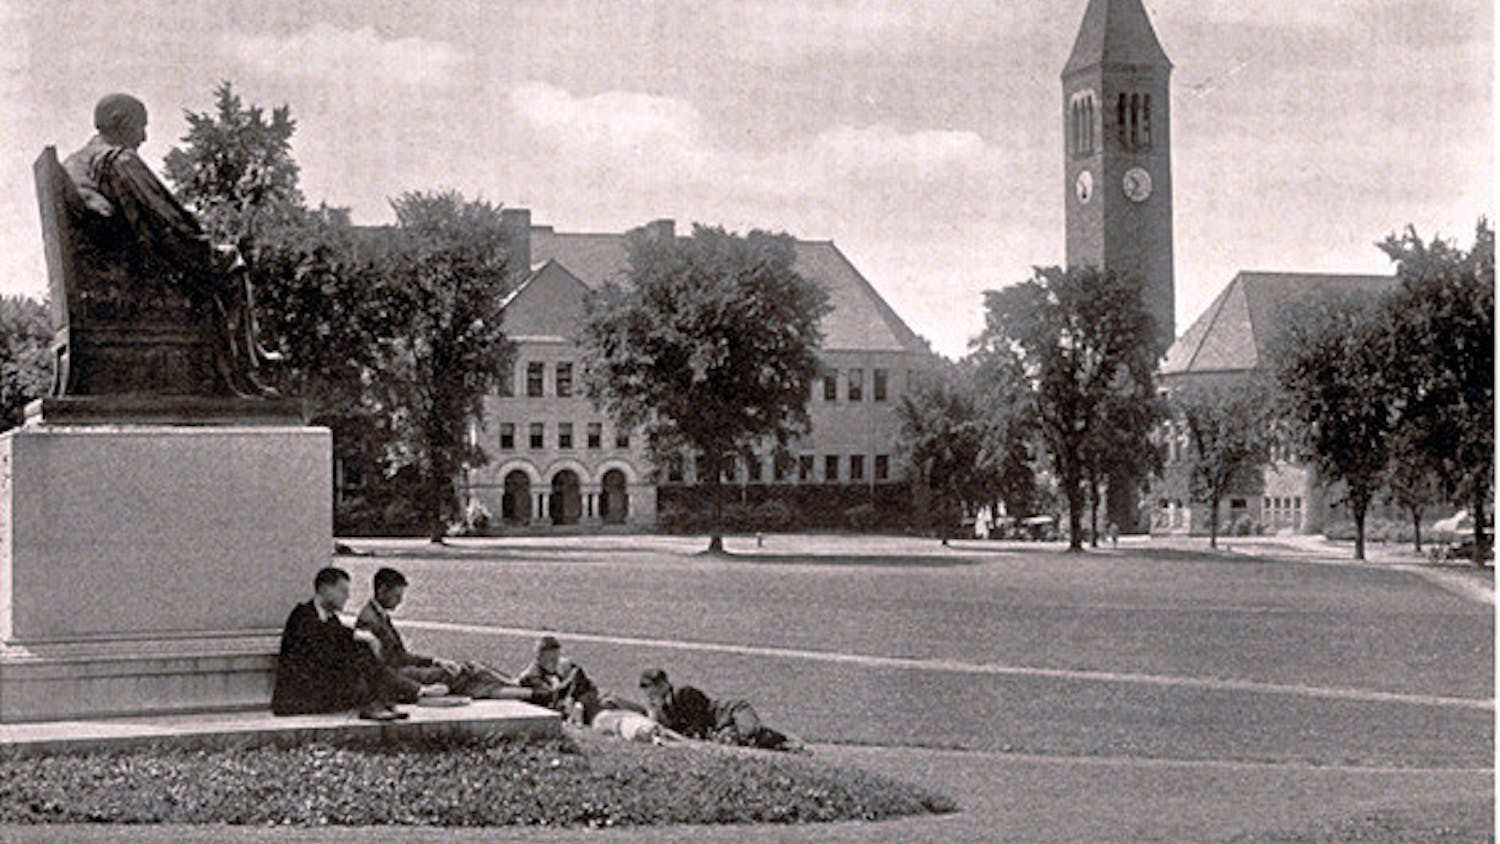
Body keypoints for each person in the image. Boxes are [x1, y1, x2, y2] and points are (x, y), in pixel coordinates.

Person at [62, 92, 280, 397]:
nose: (144, 137)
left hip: (104, 278)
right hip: (131, 282)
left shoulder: (77, 160)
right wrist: (204, 244)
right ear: (119, 121)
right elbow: (165, 221)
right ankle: (240, 375)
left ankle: (240, 366)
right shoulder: (119, 159)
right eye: (141, 126)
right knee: (228, 261)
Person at [355, 567, 517, 700]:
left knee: (466, 671)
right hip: (399, 677)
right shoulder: (369, 621)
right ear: (382, 590)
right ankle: (520, 688)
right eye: (396, 596)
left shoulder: (378, 615)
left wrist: (435, 661)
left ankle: (518, 688)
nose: (400, 601)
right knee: (462, 673)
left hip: (403, 670)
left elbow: (401, 655)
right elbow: (381, 669)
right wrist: (419, 687)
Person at [271, 567, 407, 720]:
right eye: (342, 590)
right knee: (357, 655)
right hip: (299, 696)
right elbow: (323, 654)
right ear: (324, 589)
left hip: (320, 687)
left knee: (361, 648)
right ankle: (373, 703)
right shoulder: (302, 616)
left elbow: (342, 636)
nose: (347, 596)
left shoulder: (330, 619)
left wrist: (367, 638)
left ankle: (379, 701)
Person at [638, 668, 803, 752]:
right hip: (722, 727)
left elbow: (700, 718)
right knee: (737, 742)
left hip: (732, 711)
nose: (651, 692)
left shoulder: (683, 693)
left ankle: (786, 739)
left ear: (665, 684)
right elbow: (668, 729)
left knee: (749, 731)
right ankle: (784, 746)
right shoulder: (664, 707)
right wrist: (654, 711)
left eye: (654, 686)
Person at [515, 636, 646, 724]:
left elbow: (588, 686)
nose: (556, 662)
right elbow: (550, 697)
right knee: (623, 719)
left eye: (557, 657)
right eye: (551, 660)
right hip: (583, 713)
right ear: (539, 658)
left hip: (593, 700)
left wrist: (581, 699)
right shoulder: (530, 678)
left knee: (638, 710)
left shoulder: (564, 666)